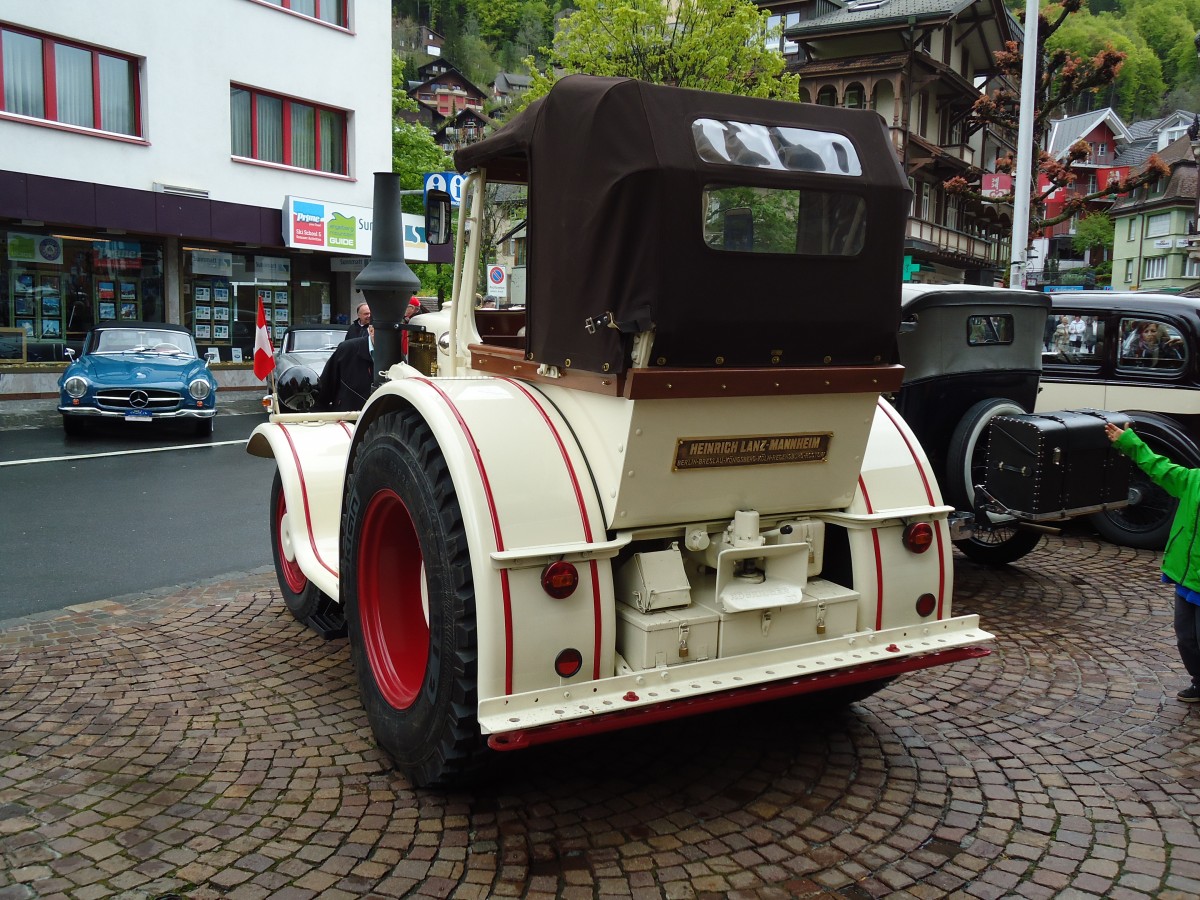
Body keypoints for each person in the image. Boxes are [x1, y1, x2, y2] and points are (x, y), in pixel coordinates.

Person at [1107, 421, 1200, 702]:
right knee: (1186, 637)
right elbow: (1160, 468)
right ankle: (1199, 682)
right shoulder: (1193, 480)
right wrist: (1129, 442)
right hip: (1187, 578)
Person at [318, 325, 374, 411]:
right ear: (371, 330)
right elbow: (327, 383)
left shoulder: (396, 352)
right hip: (347, 416)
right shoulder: (347, 349)